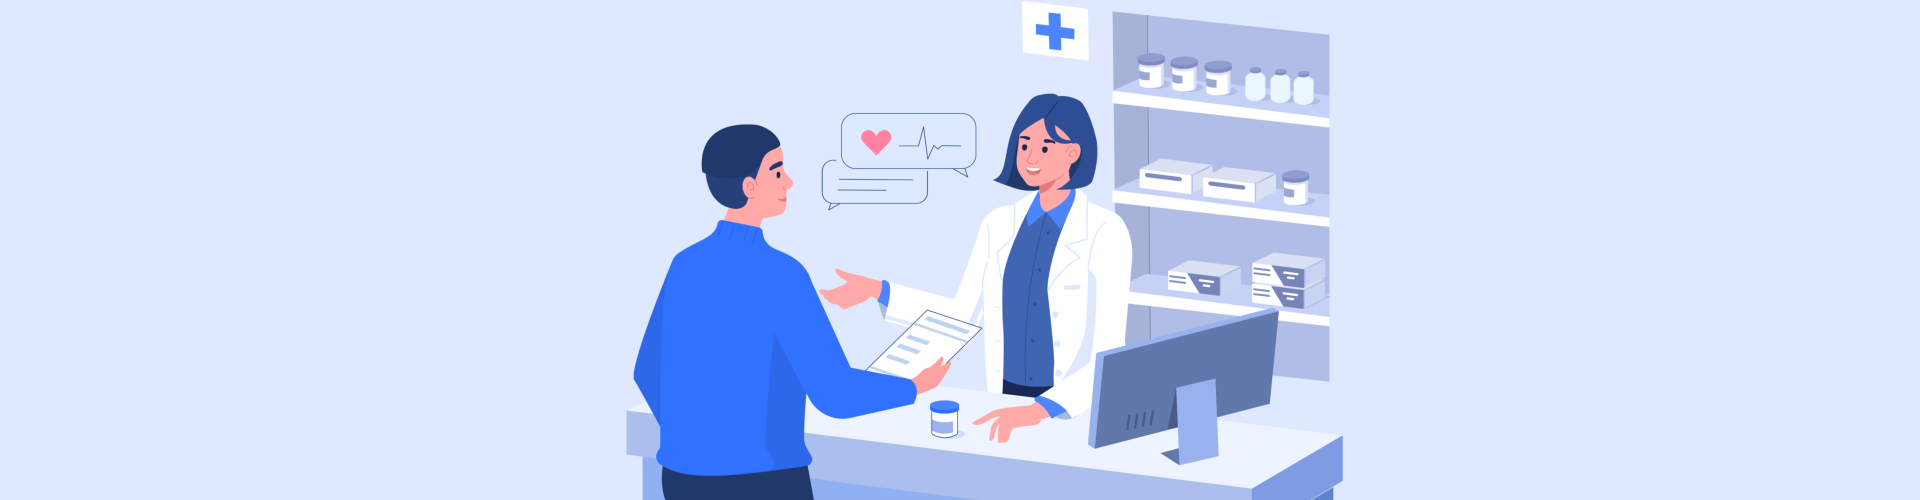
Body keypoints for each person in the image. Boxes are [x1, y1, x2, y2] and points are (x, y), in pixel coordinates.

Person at [634, 124, 953, 500]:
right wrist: (914, 385)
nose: (789, 182)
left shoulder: (684, 265)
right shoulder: (780, 274)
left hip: (681, 477)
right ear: (749, 187)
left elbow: (647, 371)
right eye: (777, 171)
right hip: (760, 482)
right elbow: (835, 394)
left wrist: (697, 444)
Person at [820, 94, 1131, 443]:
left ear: (1073, 153)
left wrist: (1042, 409)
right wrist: (879, 290)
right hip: (1003, 395)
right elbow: (961, 314)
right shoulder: (998, 224)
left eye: (1045, 147)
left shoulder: (1106, 231)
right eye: (1023, 143)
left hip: (1067, 406)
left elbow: (1109, 350)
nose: (1029, 157)